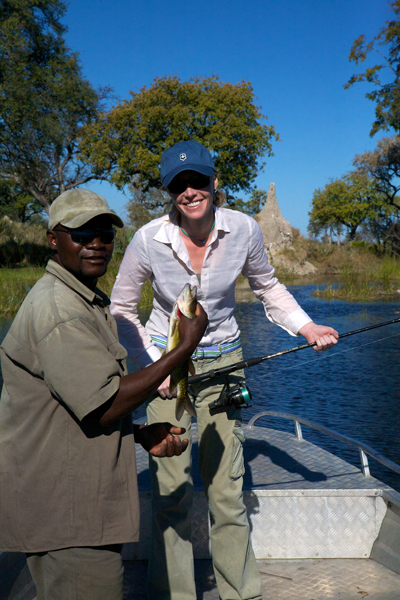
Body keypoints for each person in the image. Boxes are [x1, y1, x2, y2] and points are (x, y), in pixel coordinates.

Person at [110, 140, 339, 600]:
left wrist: (307, 326)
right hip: (166, 363)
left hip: (225, 361)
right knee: (171, 491)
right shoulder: (148, 239)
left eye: (198, 180)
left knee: (226, 490)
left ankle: (240, 593)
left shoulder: (245, 229)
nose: (190, 191)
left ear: (215, 182)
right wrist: (152, 368)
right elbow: (120, 308)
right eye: (179, 184)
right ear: (169, 192)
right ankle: (173, 594)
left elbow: (268, 287)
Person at [0, 188, 208, 600]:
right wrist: (182, 348)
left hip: (74, 504)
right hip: (69, 515)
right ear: (53, 239)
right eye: (80, 234)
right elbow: (105, 402)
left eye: (106, 234)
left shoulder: (83, 299)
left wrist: (136, 434)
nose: (96, 243)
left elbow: (69, 408)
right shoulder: (60, 310)